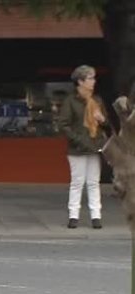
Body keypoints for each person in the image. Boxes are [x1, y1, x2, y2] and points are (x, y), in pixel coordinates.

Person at [59, 65, 109, 229]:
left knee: (94, 182)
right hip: (77, 148)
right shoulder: (70, 101)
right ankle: (74, 216)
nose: (93, 81)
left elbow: (106, 125)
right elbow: (64, 125)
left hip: (95, 146)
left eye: (93, 78)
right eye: (90, 78)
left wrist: (102, 120)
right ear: (80, 81)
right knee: (77, 181)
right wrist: (78, 140)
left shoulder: (97, 100)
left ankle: (96, 216)